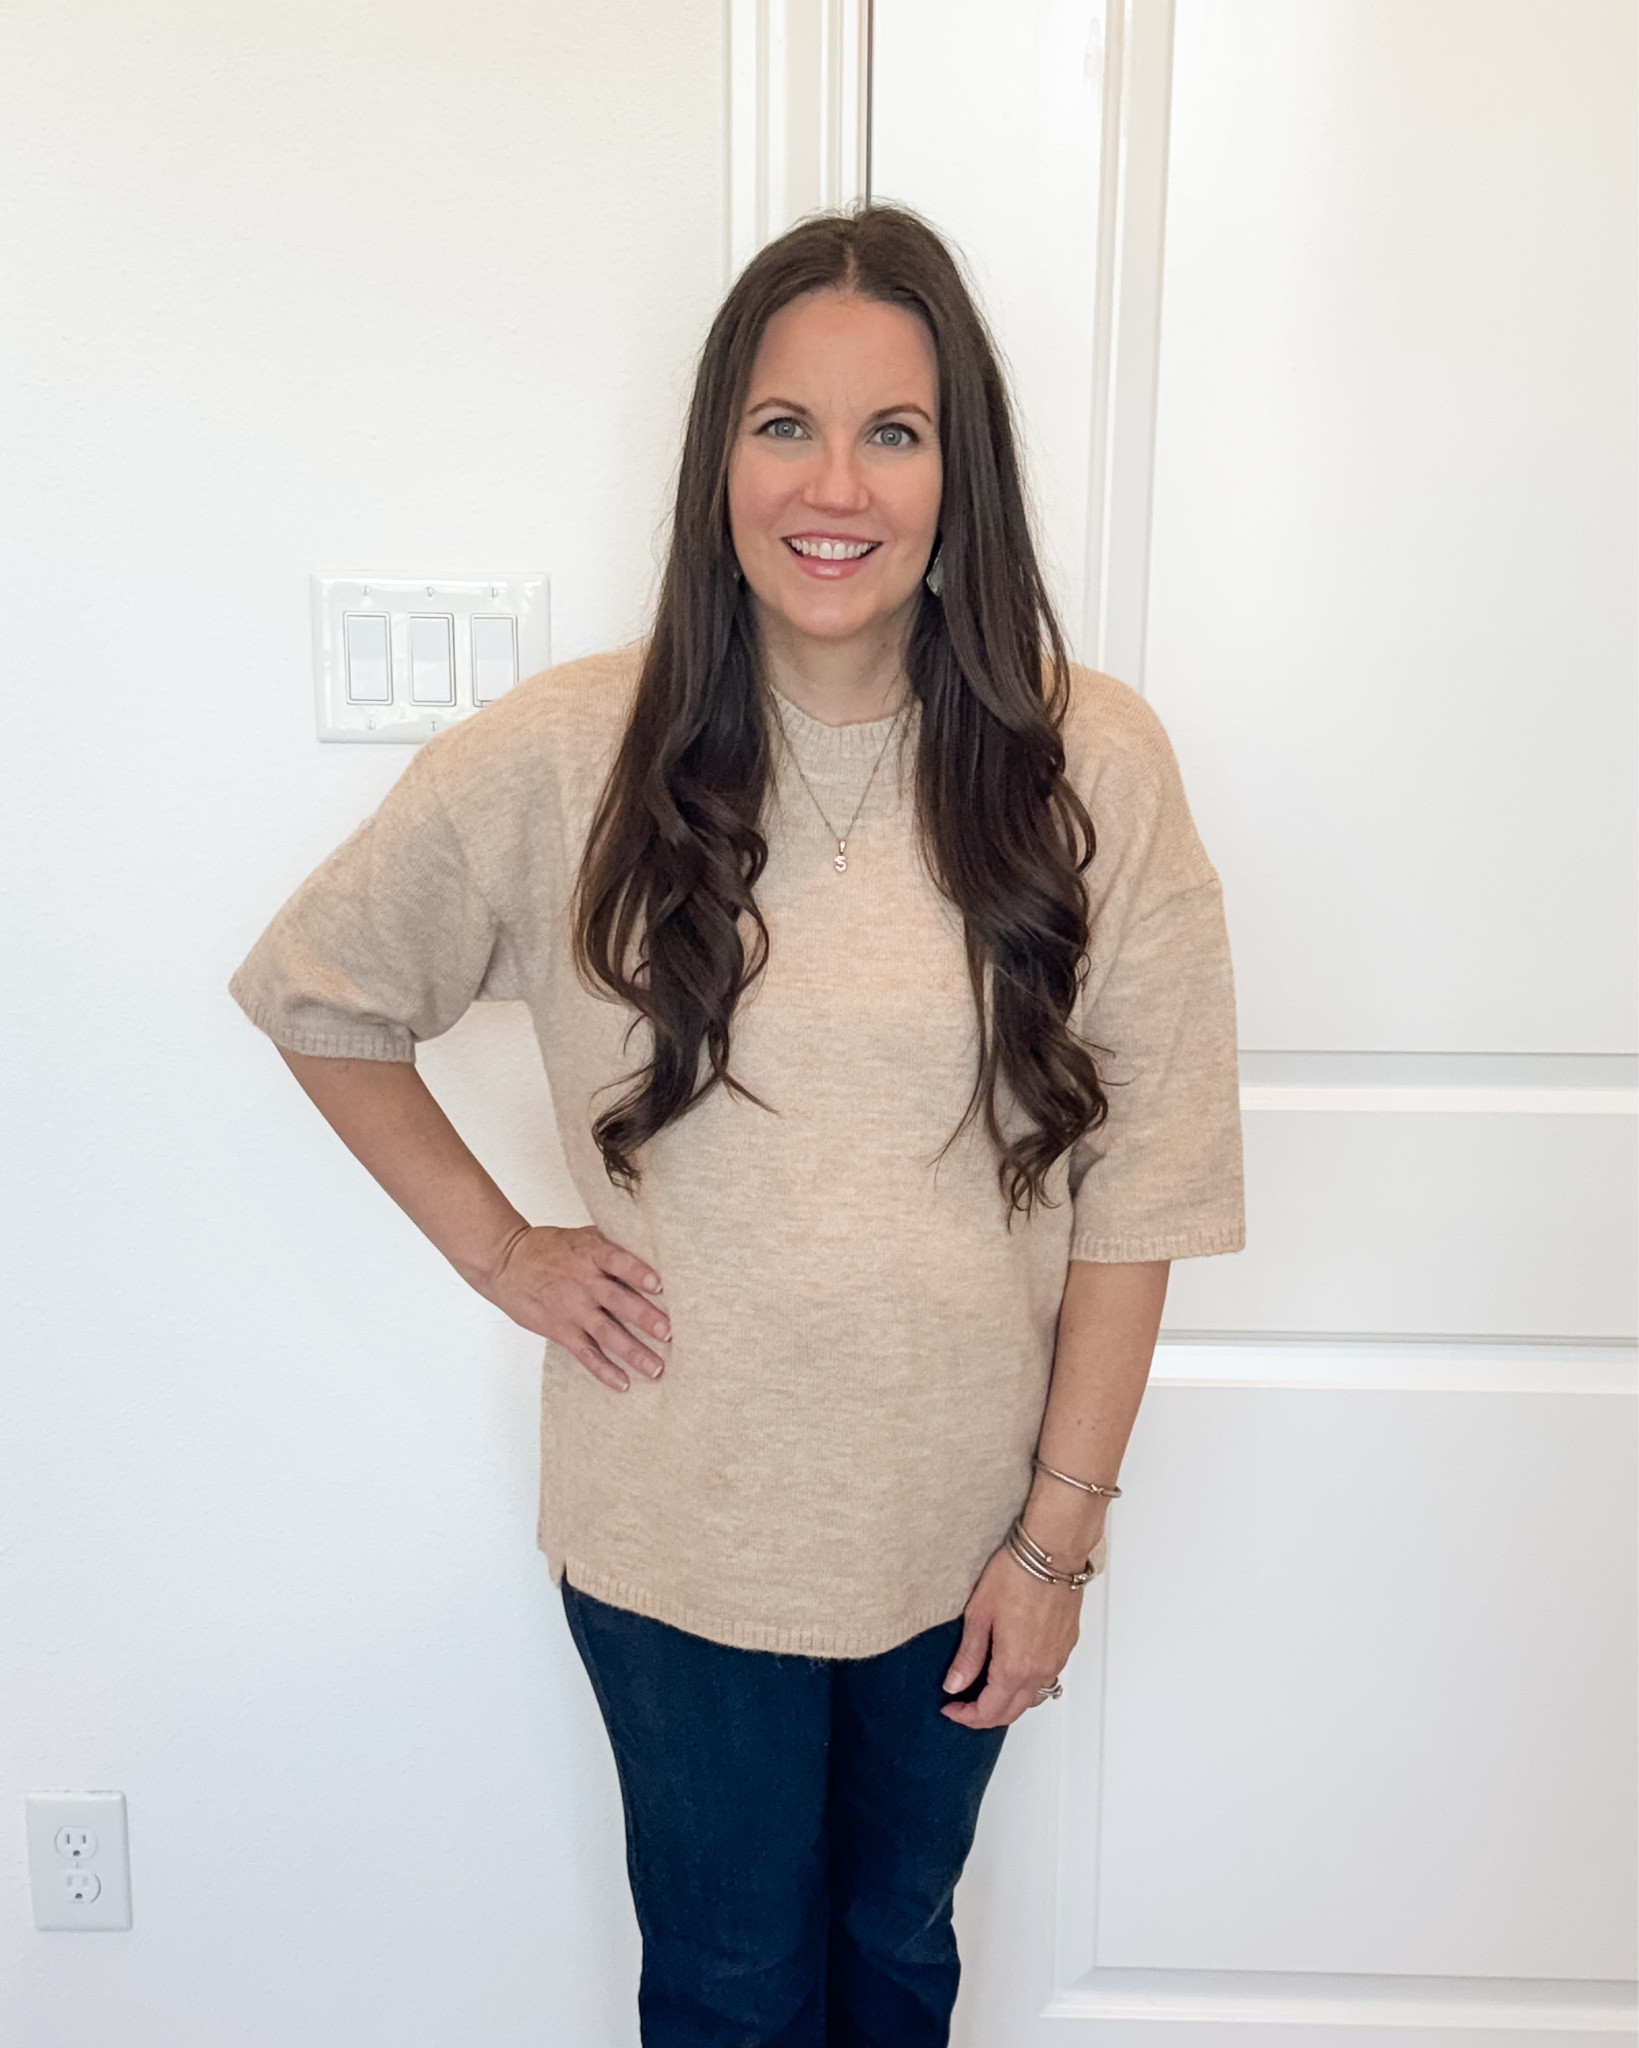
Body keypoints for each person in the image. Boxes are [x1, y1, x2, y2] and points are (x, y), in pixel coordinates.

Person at [230, 204, 1243, 2048]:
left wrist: (1055, 1543)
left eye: (894, 430)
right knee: (729, 1984)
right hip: (680, 1543)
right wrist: (500, 1248)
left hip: (966, 1534)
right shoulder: (565, 756)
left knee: (901, 1957)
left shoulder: (1092, 765)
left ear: (961, 474)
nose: (832, 484)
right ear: (717, 462)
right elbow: (317, 992)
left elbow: (1146, 1181)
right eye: (785, 426)